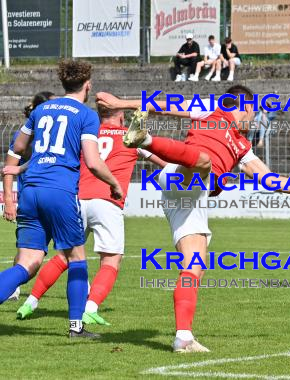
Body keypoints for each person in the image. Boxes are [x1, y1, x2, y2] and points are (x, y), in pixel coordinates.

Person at [95, 85, 290, 353]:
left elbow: (270, 180)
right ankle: (144, 140)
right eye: (254, 113)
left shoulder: (242, 147)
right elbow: (166, 105)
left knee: (194, 266)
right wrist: (122, 103)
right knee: (204, 162)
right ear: (246, 107)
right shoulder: (214, 109)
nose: (254, 119)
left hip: (190, 198)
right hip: (182, 175)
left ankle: (183, 337)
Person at [0, 60, 123, 339]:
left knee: (27, 263)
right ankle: (76, 327)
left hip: (30, 191)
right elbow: (92, 162)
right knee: (77, 257)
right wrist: (114, 184)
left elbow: (17, 148)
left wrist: (13, 178)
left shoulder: (41, 110)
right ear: (87, 84)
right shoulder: (87, 115)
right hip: (59, 191)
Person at [14, 103, 166, 324]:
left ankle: (31, 302)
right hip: (108, 201)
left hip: (77, 199)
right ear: (122, 117)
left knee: (64, 257)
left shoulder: (87, 132)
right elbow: (164, 161)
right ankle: (91, 308)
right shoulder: (129, 136)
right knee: (111, 261)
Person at [3, 91, 56, 302]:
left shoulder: (55, 132)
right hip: (33, 199)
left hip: (50, 196)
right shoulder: (25, 135)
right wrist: (8, 200)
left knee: (31, 255)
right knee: (66, 249)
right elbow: (9, 167)